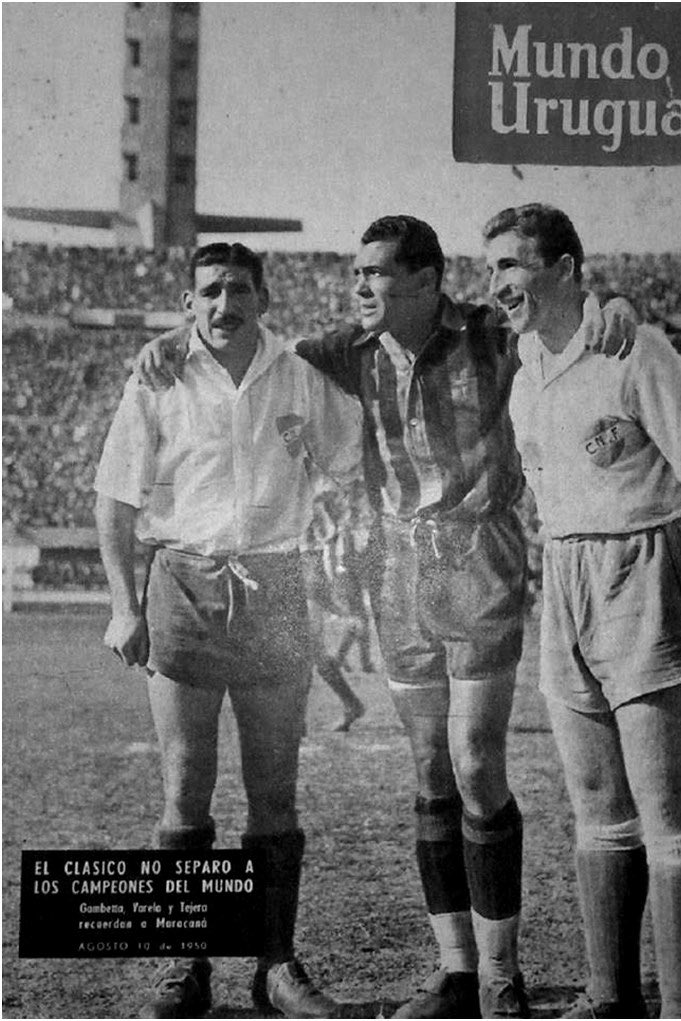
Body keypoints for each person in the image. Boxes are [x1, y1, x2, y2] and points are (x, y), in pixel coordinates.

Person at [135, 216, 636, 1020]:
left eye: (375, 276)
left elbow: (566, 319)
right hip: (401, 570)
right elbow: (244, 338)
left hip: (480, 559)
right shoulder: (341, 353)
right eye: (356, 276)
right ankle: (455, 970)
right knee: (430, 770)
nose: (359, 289)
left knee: (475, 760)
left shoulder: (487, 335)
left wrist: (612, 305)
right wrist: (175, 333)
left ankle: (502, 971)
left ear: (428, 281)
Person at [486, 203, 681, 1019]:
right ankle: (611, 995)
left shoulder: (635, 346)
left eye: (514, 266)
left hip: (643, 565)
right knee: (597, 807)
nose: (498, 284)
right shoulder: (524, 364)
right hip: (564, 575)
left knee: (666, 810)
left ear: (567, 268)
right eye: (490, 268)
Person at [95, 242, 363, 1020]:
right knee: (185, 789)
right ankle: (186, 964)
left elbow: (352, 462)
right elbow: (115, 499)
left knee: (274, 792)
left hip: (276, 584)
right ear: (187, 304)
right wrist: (123, 605)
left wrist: (323, 478)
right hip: (182, 580)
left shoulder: (302, 374)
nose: (223, 304)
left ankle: (275, 965)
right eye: (208, 292)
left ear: (263, 297)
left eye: (237, 289)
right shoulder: (158, 379)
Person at [302, 488, 370, 733]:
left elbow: (327, 540)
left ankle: (351, 704)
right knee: (306, 658)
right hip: (305, 583)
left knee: (313, 657)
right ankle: (348, 705)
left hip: (308, 586)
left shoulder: (312, 504)